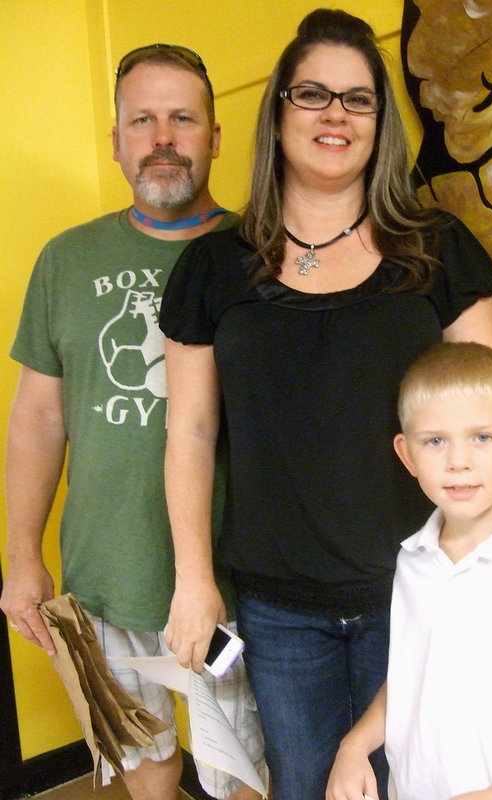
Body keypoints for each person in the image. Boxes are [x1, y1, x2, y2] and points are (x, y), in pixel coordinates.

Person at [157, 10, 492, 800]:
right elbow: (190, 431)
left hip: (422, 585)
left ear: (380, 121)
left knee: (425, 782)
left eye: (358, 99)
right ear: (279, 112)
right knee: (308, 786)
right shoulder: (213, 267)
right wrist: (195, 579)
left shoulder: (434, 249)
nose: (335, 114)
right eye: (313, 94)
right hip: (281, 606)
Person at [0, 44, 266, 800]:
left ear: (215, 136)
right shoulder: (66, 260)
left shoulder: (262, 254)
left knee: (243, 779)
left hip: (233, 585)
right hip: (104, 579)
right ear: (116, 140)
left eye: (182, 118)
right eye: (141, 120)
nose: (162, 138)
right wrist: (22, 557)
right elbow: (37, 418)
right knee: (146, 775)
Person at [326, 341, 492, 800]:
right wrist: (354, 745)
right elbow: (416, 675)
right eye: (435, 441)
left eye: (483, 437)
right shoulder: (413, 559)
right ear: (407, 454)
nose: (459, 461)